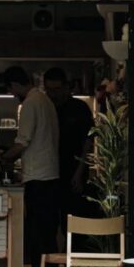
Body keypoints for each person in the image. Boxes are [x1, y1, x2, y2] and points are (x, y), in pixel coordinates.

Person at [0, 66, 62, 267]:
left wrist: (4, 158)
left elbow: (22, 142)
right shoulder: (45, 101)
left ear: (15, 85)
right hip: (50, 176)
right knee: (46, 234)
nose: (11, 93)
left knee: (38, 236)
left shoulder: (29, 104)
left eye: (10, 89)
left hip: (39, 179)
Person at [42, 67, 94, 234]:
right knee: (49, 221)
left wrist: (79, 173)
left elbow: (88, 143)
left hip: (73, 172)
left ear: (67, 87)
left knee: (73, 221)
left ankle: (70, 256)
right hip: (49, 173)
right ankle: (53, 258)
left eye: (57, 89)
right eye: (49, 90)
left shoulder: (79, 108)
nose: (53, 94)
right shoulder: (45, 108)